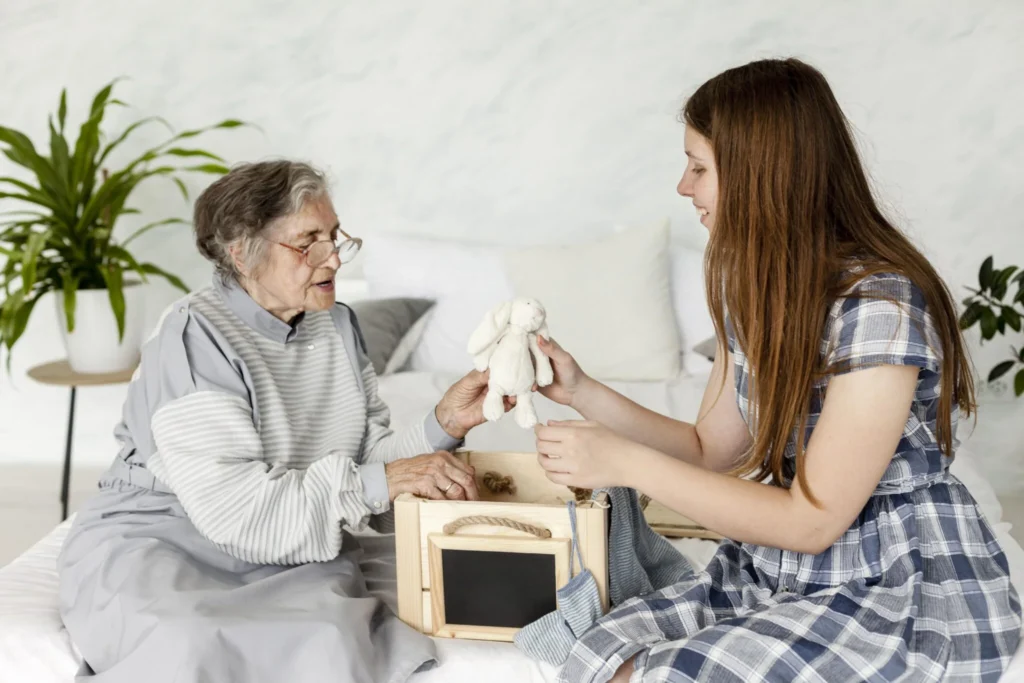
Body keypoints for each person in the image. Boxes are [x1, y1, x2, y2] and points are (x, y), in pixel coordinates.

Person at [532, 58, 1023, 682]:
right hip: (790, 563)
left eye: (699, 167)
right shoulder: (754, 288)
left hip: (896, 577)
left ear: (762, 174)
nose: (685, 187)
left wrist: (622, 462)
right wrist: (582, 392)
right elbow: (710, 449)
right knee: (593, 651)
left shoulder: (881, 309)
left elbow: (812, 520)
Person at [57, 160, 510, 682]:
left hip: (287, 539)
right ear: (241, 254)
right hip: (168, 533)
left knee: (331, 638)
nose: (334, 258)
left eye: (336, 237)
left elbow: (364, 469)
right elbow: (237, 510)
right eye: (308, 242)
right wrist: (380, 480)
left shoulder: (337, 325)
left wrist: (444, 422)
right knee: (187, 642)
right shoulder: (193, 336)